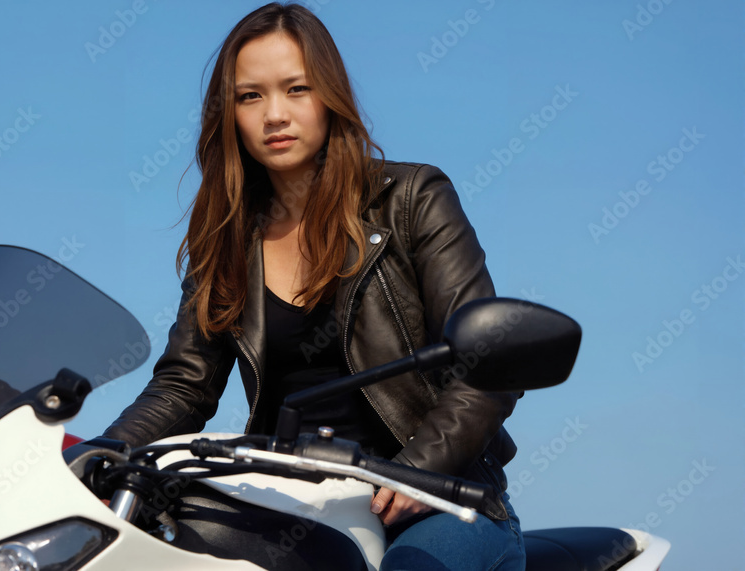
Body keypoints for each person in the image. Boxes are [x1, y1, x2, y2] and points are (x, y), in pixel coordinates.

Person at [104, 3, 524, 569]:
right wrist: (98, 456)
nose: (274, 114)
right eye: (250, 96)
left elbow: (488, 366)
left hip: (439, 500)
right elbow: (185, 386)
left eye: (296, 89)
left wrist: (420, 468)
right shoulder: (227, 238)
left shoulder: (411, 199)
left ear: (329, 97)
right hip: (293, 499)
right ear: (228, 114)